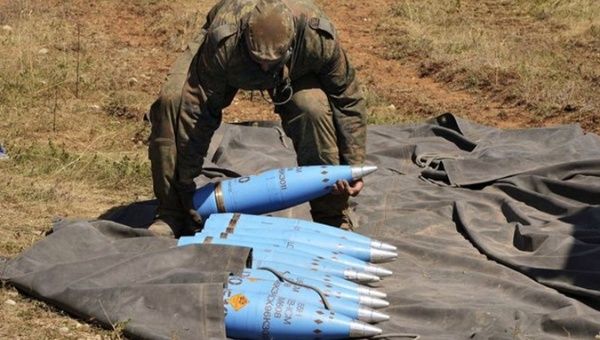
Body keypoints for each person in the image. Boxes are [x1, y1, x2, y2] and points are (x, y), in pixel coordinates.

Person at [147, 0, 367, 237]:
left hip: (294, 71)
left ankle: (332, 218)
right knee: (171, 103)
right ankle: (171, 213)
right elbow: (196, 114)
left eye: (270, 62)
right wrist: (186, 189)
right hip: (228, 62)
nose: (263, 67)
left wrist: (351, 167)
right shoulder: (224, 39)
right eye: (257, 59)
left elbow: (347, 98)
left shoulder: (317, 37)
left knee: (313, 109)